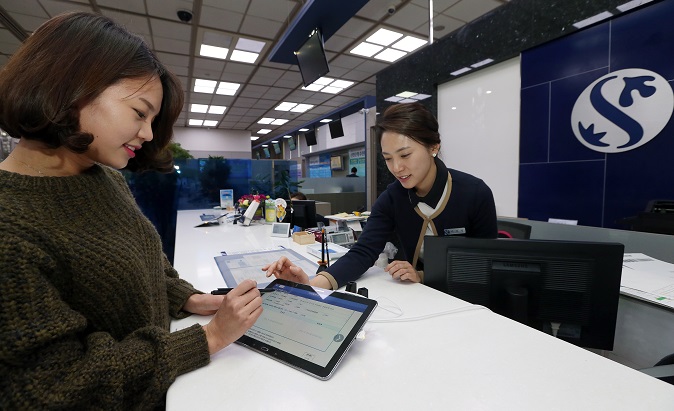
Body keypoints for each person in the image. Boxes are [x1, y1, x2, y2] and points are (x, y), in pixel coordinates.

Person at [0, 12, 263, 409]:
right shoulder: (9, 225)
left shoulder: (104, 178)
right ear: (70, 88)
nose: (147, 133)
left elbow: (142, 260)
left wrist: (187, 298)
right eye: (140, 113)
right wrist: (208, 338)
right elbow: (56, 387)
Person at [264, 102, 497, 289]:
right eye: (388, 158)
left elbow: (485, 264)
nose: (396, 168)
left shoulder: (474, 193)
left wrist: (423, 275)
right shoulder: (392, 198)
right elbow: (363, 252)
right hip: (416, 298)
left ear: (433, 146)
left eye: (405, 155)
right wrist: (312, 284)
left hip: (464, 297)